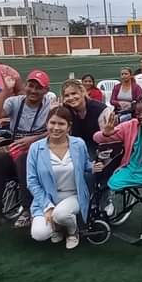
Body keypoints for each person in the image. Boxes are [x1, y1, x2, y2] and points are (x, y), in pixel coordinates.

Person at [0, 70, 56, 230]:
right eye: (30, 86)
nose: (33, 90)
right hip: (17, 153)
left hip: (41, 156)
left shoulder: (50, 105)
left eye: (38, 88)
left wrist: (32, 140)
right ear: (25, 86)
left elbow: (56, 131)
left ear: (46, 90)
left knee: (24, 158)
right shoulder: (15, 102)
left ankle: (27, 209)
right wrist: (5, 91)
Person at [26, 106, 95, 249]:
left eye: (61, 124)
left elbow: (86, 166)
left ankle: (72, 231)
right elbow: (32, 181)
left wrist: (96, 166)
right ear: (46, 124)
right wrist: (47, 206)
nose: (56, 128)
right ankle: (57, 227)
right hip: (47, 197)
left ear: (69, 127)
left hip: (73, 195)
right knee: (39, 234)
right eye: (52, 123)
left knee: (61, 214)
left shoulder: (78, 144)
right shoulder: (35, 148)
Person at [95, 97, 142, 192]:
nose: (141, 116)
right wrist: (105, 134)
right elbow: (96, 138)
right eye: (138, 114)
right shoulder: (130, 126)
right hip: (131, 168)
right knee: (113, 183)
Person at [62, 78, 108, 158]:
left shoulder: (100, 110)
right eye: (67, 95)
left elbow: (106, 140)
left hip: (98, 149)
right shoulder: (65, 111)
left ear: (82, 92)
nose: (71, 98)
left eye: (74, 93)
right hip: (75, 148)